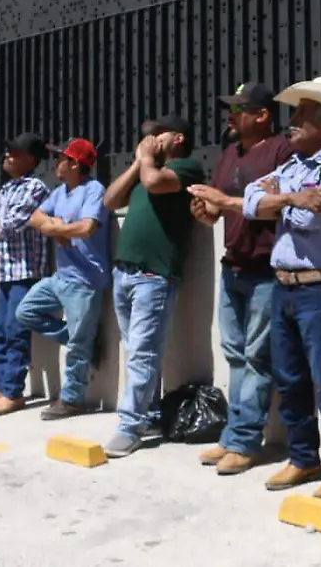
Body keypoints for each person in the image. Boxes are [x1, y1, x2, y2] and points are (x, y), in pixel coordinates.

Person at [193, 76, 321, 500]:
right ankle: (303, 457)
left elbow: (309, 217)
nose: (293, 122)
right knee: (290, 381)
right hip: (283, 287)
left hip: (318, 291)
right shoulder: (293, 169)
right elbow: (253, 202)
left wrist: (278, 201)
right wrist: (291, 199)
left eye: (304, 115)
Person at [187, 82, 294, 475]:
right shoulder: (229, 152)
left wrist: (223, 202)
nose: (231, 117)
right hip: (232, 264)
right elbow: (215, 213)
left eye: (239, 109)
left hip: (267, 270)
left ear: (262, 115)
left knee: (256, 358)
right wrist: (203, 209)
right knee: (234, 354)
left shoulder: (282, 150)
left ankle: (247, 441)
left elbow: (279, 207)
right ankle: (234, 435)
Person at [101, 114, 206, 458]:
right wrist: (137, 163)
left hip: (154, 277)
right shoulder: (144, 170)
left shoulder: (187, 167)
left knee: (143, 353)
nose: (151, 139)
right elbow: (110, 201)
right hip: (125, 273)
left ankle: (130, 427)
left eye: (159, 134)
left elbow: (157, 183)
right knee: (137, 353)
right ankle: (148, 413)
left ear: (178, 138)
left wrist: (146, 162)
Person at [16, 138, 111, 420]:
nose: (55, 164)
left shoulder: (94, 190)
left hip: (85, 280)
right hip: (61, 277)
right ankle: (82, 340)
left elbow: (87, 228)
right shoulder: (61, 192)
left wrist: (61, 230)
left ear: (75, 164)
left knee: (78, 347)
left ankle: (72, 399)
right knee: (26, 312)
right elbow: (34, 217)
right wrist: (56, 228)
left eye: (61, 159)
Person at [0, 132, 51, 417]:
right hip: (6, 271)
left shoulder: (36, 188)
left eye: (14, 153)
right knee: (0, 330)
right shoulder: (6, 189)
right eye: (7, 152)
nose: (7, 157)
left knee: (16, 330)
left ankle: (13, 391)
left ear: (31, 159)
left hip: (25, 271)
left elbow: (10, 225)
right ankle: (1, 384)